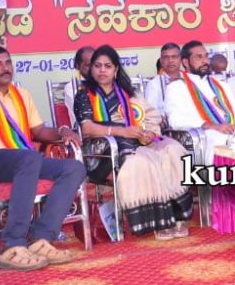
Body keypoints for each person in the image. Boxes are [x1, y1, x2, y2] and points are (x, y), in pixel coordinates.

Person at [0, 46, 85, 270]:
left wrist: (62, 131)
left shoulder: (22, 95)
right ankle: (12, 244)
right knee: (29, 158)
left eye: (8, 62)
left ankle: (41, 238)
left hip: (24, 161)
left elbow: (39, 131)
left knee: (74, 168)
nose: (5, 68)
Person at [74, 45, 193, 238]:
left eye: (107, 66)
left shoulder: (129, 93)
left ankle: (177, 215)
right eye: (97, 66)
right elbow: (87, 128)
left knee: (173, 149)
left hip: (136, 141)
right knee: (144, 160)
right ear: (91, 69)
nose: (102, 70)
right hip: (103, 150)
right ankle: (159, 221)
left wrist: (149, 133)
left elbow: (150, 117)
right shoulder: (84, 94)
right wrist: (124, 131)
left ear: (116, 69)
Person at [164, 40, 235, 148]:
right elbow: (175, 121)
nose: (205, 61)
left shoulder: (222, 85)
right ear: (186, 62)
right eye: (199, 57)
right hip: (202, 136)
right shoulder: (176, 87)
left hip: (231, 131)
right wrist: (211, 126)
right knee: (224, 139)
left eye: (206, 56)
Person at [143, 43, 182, 120]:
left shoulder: (190, 79)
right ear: (161, 61)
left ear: (181, 59)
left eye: (174, 57)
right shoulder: (154, 84)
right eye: (166, 57)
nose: (170, 60)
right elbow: (151, 113)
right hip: (166, 125)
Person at [63, 46, 94, 128]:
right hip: (85, 130)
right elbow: (84, 115)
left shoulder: (107, 84)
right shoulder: (71, 87)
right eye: (88, 65)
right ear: (77, 66)